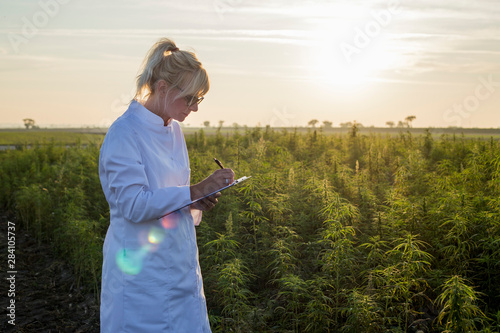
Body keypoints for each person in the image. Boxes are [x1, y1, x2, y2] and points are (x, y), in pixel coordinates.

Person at [98, 38, 234, 332]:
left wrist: (196, 201)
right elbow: (134, 205)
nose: (195, 108)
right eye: (190, 98)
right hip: (140, 280)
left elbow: (172, 195)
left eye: (200, 99)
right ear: (162, 88)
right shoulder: (124, 133)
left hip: (181, 269)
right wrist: (193, 191)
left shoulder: (172, 129)